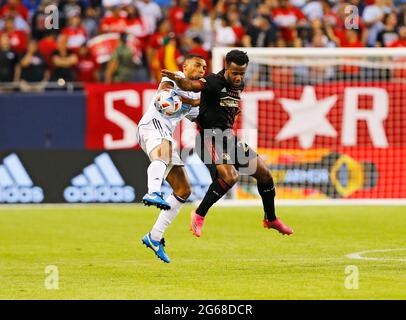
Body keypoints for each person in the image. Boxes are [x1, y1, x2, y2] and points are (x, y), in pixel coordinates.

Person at [161, 49, 293, 238]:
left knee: (265, 175)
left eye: (242, 73)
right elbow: (193, 85)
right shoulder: (213, 81)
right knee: (230, 177)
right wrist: (179, 82)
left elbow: (206, 100)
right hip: (207, 138)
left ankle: (270, 218)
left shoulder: (239, 85)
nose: (238, 77)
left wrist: (229, 110)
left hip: (228, 137)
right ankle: (198, 214)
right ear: (226, 68)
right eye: (235, 73)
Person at [138, 54, 207, 263]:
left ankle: (154, 237)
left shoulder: (195, 101)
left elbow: (200, 116)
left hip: (165, 134)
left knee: (183, 190)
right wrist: (188, 98)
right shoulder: (174, 77)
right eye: (197, 65)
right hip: (151, 126)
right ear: (185, 66)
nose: (202, 70)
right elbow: (164, 95)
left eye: (204, 68)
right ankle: (153, 192)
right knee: (166, 148)